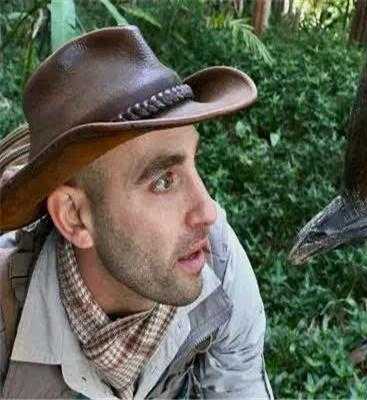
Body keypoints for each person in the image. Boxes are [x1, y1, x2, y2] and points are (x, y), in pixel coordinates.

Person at [0, 25, 273, 399]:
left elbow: (240, 383)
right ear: (74, 216)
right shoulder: (6, 321)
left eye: (195, 162)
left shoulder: (216, 258)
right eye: (163, 181)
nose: (208, 211)